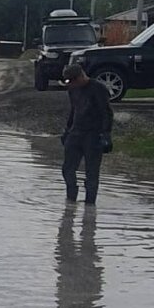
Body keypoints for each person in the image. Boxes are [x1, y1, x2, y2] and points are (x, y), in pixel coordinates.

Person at [60, 64, 113, 205]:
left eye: (72, 81)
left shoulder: (98, 89)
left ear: (81, 76)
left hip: (93, 135)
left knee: (92, 173)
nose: (70, 84)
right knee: (67, 169)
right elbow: (74, 110)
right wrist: (67, 130)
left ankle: (90, 206)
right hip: (75, 133)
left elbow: (106, 113)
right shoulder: (72, 89)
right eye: (68, 82)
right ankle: (71, 200)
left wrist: (106, 134)